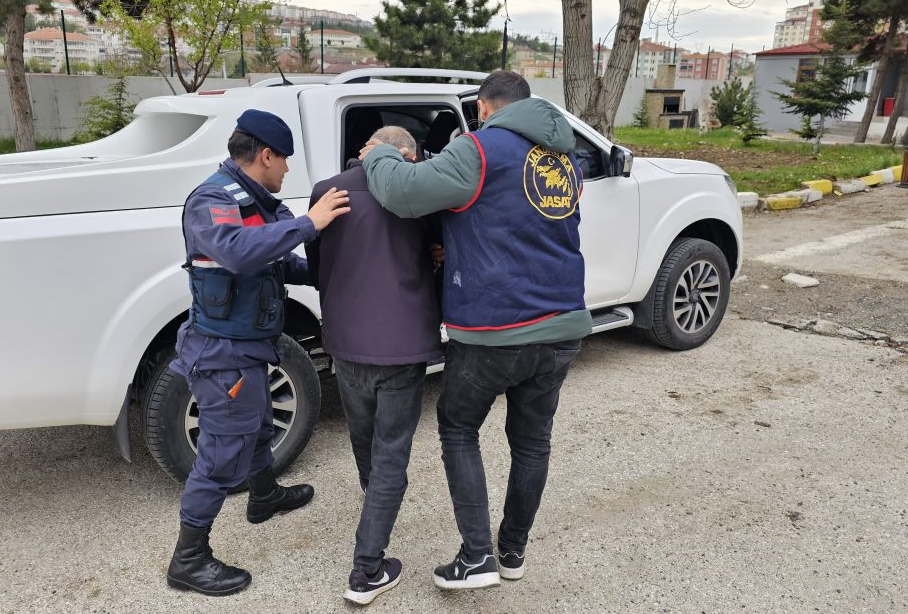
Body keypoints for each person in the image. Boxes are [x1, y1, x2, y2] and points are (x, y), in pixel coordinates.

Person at [360, 71, 590, 590]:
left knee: (459, 428)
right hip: (562, 323)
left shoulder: (480, 149)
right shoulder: (563, 158)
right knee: (532, 442)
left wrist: (379, 152)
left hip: (496, 329)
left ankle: (477, 556)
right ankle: (512, 552)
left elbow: (403, 191)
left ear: (485, 107)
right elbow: (518, 222)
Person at [166, 109, 350, 596]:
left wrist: (331, 272)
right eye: (284, 160)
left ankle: (263, 497)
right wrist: (310, 222)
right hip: (222, 351)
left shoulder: (260, 200)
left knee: (260, 424)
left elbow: (278, 261)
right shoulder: (213, 200)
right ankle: (188, 559)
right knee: (222, 453)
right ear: (265, 155)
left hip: (249, 346)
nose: (287, 169)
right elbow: (238, 251)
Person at [305, 126, 442, 605]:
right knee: (392, 453)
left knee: (364, 439)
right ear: (404, 154)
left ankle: (374, 510)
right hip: (401, 347)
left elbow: (318, 261)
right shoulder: (417, 193)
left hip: (345, 343)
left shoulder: (327, 191)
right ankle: (367, 569)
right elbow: (438, 255)